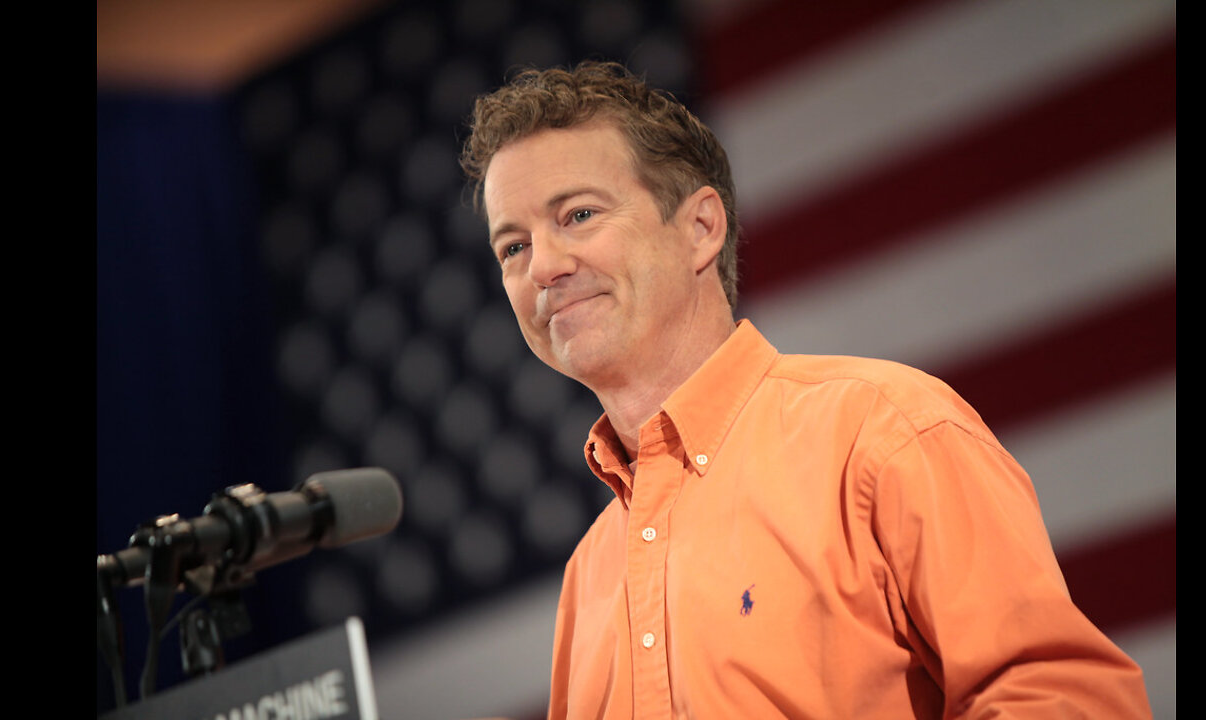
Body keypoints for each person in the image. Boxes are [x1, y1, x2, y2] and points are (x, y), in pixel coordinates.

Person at [459, 60, 1152, 719]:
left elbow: (1072, 702)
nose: (543, 265)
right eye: (512, 247)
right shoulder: (588, 577)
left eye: (577, 215)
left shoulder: (884, 432)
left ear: (700, 228)